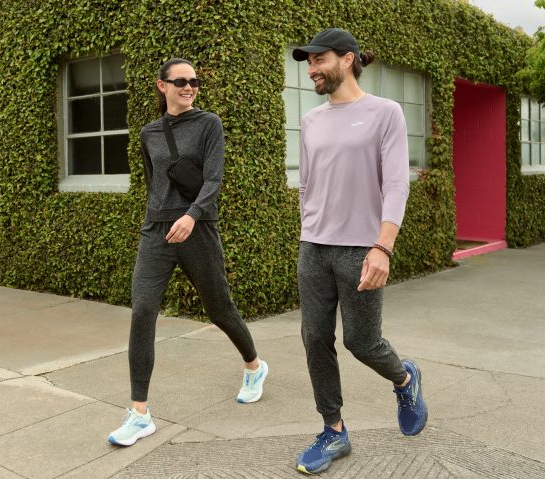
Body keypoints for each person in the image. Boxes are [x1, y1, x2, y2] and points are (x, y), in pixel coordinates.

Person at [107, 58, 269, 447]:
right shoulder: (149, 132)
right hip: (157, 231)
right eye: (181, 81)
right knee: (143, 310)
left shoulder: (209, 124)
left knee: (219, 309)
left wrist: (193, 215)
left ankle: (254, 366)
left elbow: (214, 178)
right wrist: (158, 219)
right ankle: (140, 413)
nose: (190, 86)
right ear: (161, 86)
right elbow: (153, 182)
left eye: (194, 81)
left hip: (198, 229)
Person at [291, 28, 428, 474]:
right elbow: (307, 182)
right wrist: (306, 228)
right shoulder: (311, 120)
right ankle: (334, 431)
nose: (311, 69)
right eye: (307, 62)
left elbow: (396, 183)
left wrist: (382, 247)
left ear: (347, 59)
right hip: (314, 246)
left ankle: (404, 378)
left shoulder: (384, 113)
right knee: (315, 339)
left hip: (361, 249)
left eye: (318, 60)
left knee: (362, 342)